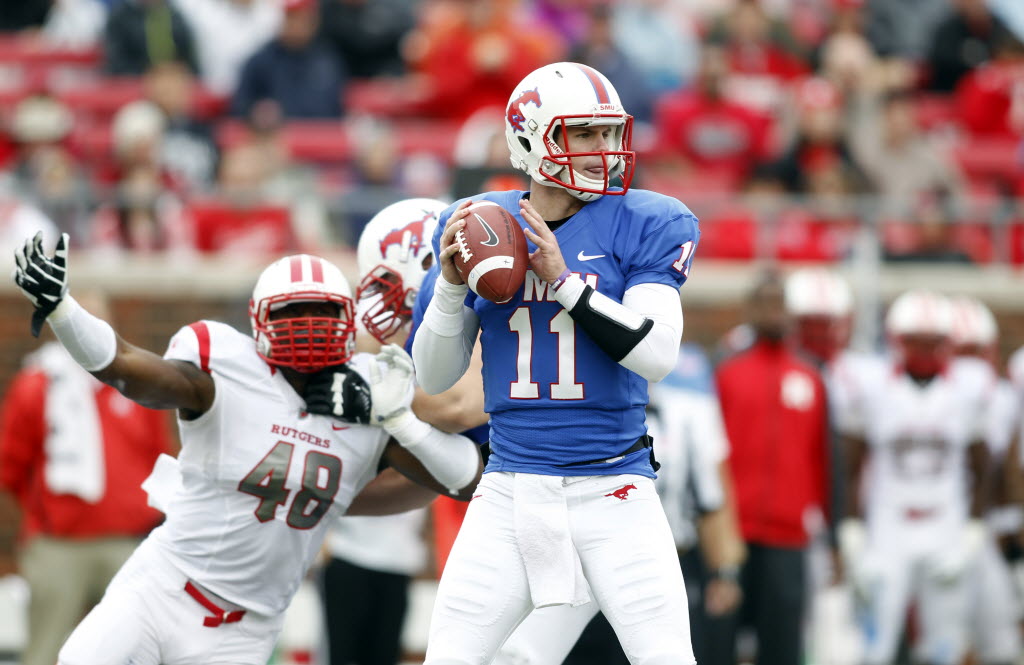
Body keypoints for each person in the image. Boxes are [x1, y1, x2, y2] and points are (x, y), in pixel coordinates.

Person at [10, 232, 482, 665]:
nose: (308, 326)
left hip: (245, 629)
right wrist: (63, 309)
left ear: (347, 317)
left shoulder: (368, 390)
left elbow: (463, 482)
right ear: (258, 320)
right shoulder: (225, 367)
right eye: (291, 313)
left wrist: (397, 418)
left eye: (322, 312)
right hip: (162, 588)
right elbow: (128, 367)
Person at [411, 61, 701, 664]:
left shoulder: (647, 221)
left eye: (609, 133)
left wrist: (565, 284)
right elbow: (433, 379)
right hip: (510, 486)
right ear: (529, 139)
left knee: (667, 657)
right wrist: (447, 286)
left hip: (614, 485)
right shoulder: (481, 223)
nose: (604, 150)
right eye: (583, 135)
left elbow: (657, 354)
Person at [492, 343, 745, 665]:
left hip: (662, 558)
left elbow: (710, 498)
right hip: (580, 560)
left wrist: (724, 570)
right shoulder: (574, 410)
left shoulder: (684, 412)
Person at [0, 291, 174, 665]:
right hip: (60, 544)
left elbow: (160, 457)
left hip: (128, 544)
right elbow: (11, 466)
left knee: (140, 651)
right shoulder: (37, 385)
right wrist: (44, 517)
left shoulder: (136, 382)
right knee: (45, 649)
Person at [321, 197, 448, 665]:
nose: (377, 298)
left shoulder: (396, 374)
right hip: (358, 551)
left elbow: (455, 410)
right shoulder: (374, 363)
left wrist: (384, 400)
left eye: (386, 279)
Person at [837, 290, 993, 665]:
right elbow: (851, 464)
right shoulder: (873, 385)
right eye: (915, 342)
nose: (924, 351)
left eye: (933, 342)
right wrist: (853, 529)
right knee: (875, 648)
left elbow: (983, 465)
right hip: (888, 526)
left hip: (946, 524)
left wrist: (973, 529)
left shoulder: (969, 387)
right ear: (896, 341)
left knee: (945, 646)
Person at [711, 272, 831, 665]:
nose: (774, 311)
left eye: (781, 303)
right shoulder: (726, 372)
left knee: (782, 648)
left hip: (787, 538)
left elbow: (826, 458)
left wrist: (834, 530)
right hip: (732, 537)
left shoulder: (811, 375)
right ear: (750, 310)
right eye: (765, 302)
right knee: (717, 643)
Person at [948, 296, 1023, 665]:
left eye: (973, 352)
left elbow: (1006, 467)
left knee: (999, 638)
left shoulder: (1005, 398)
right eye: (959, 352)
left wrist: (1008, 521)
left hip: (985, 529)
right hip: (934, 523)